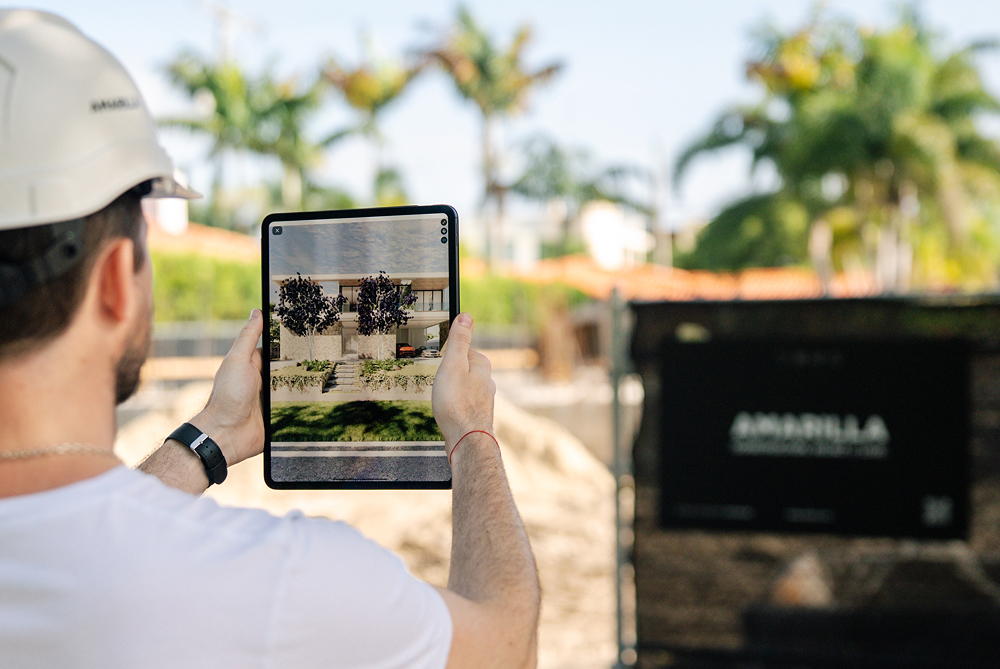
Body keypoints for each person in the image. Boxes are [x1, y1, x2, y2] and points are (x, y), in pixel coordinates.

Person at [0, 9, 540, 668]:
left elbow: (79, 537)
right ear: (116, 279)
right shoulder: (289, 581)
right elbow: (508, 642)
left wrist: (215, 433)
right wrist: (471, 434)